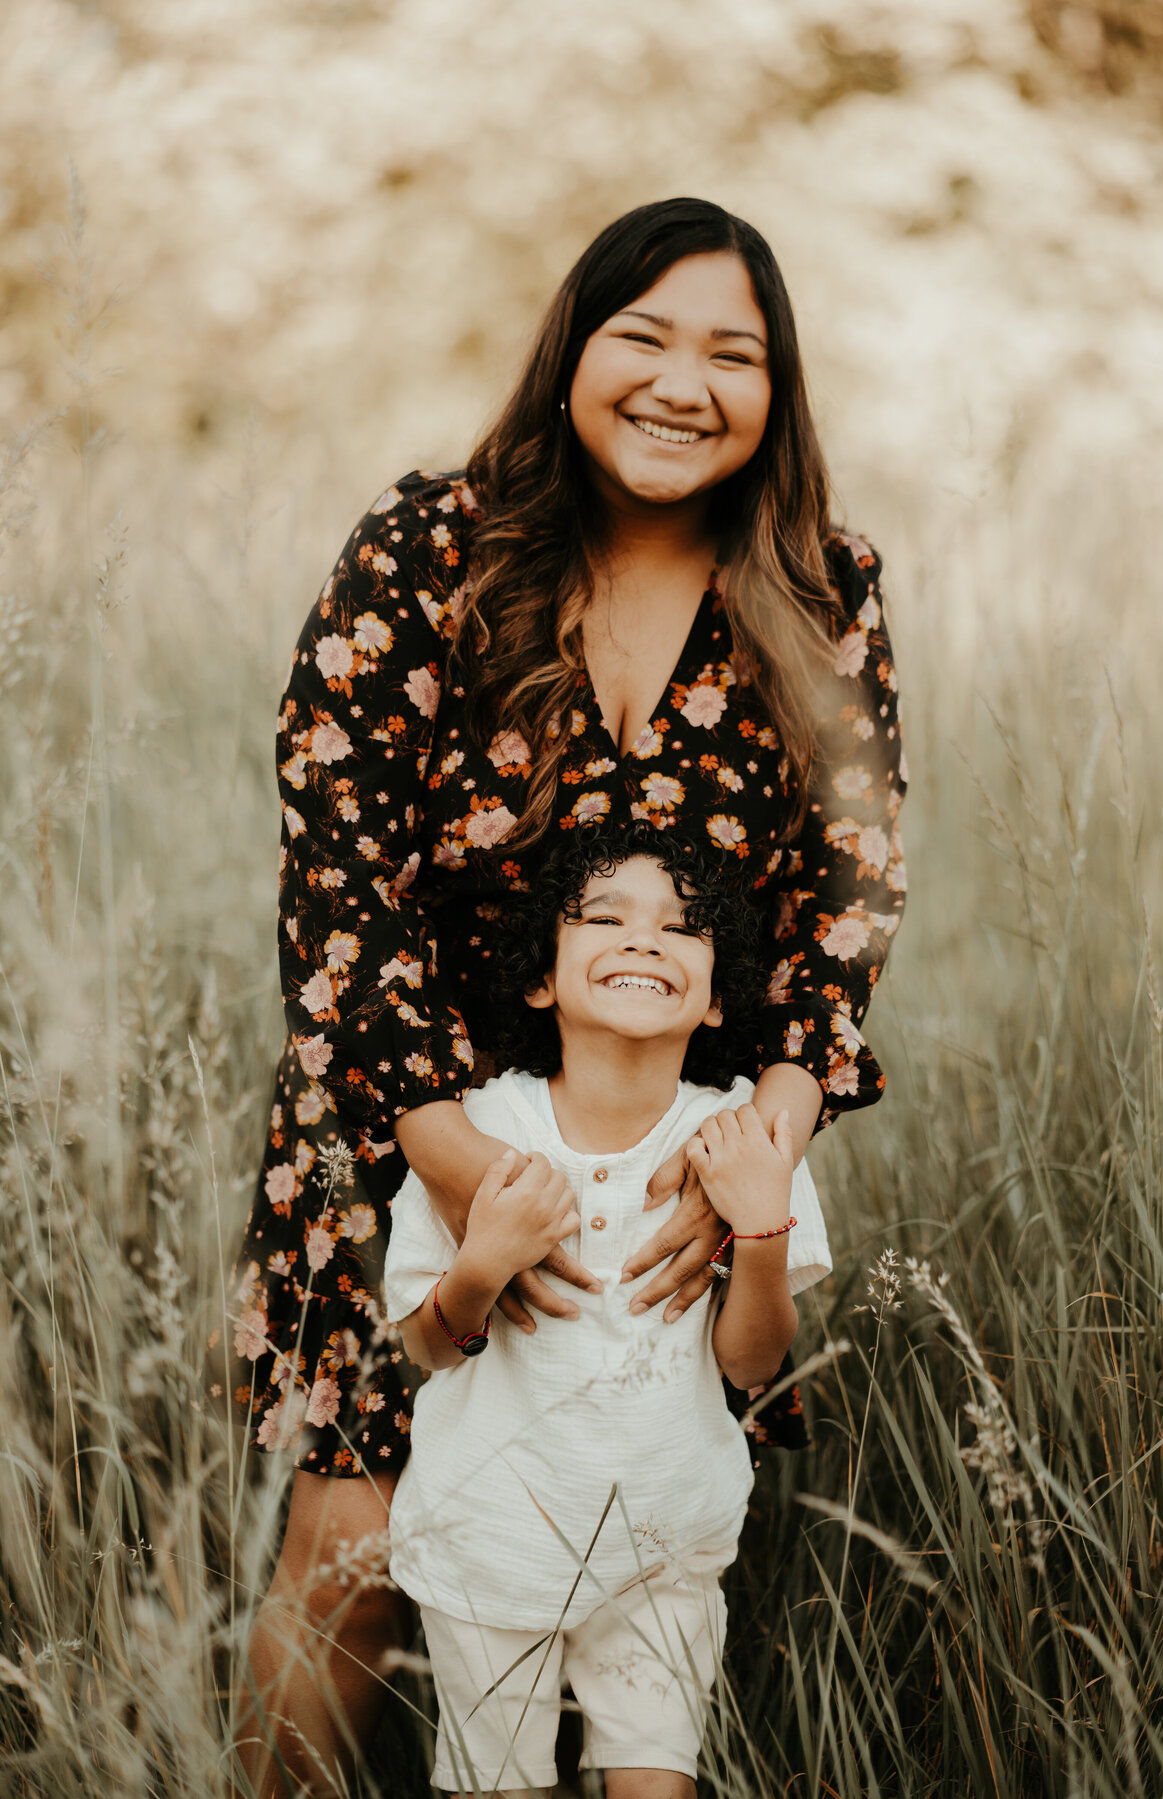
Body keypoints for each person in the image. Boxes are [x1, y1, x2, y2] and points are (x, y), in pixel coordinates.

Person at [229, 196, 907, 1794]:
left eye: (732, 352)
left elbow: (855, 888)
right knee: (360, 1546)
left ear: (778, 386)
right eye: (643, 337)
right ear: (572, 350)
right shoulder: (428, 547)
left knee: (625, 1553)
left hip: (680, 1166)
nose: (683, 382)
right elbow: (336, 868)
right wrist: (468, 1172)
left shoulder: (823, 581)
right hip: (400, 1131)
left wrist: (768, 1143)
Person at [383, 826, 833, 1796]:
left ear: (718, 996)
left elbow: (753, 1366)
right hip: (488, 1544)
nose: (643, 938)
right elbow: (423, 1344)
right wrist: (483, 1263)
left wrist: (758, 1231)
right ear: (542, 976)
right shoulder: (484, 1127)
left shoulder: (744, 1132)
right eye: (604, 917)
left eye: (682, 926)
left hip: (665, 1555)